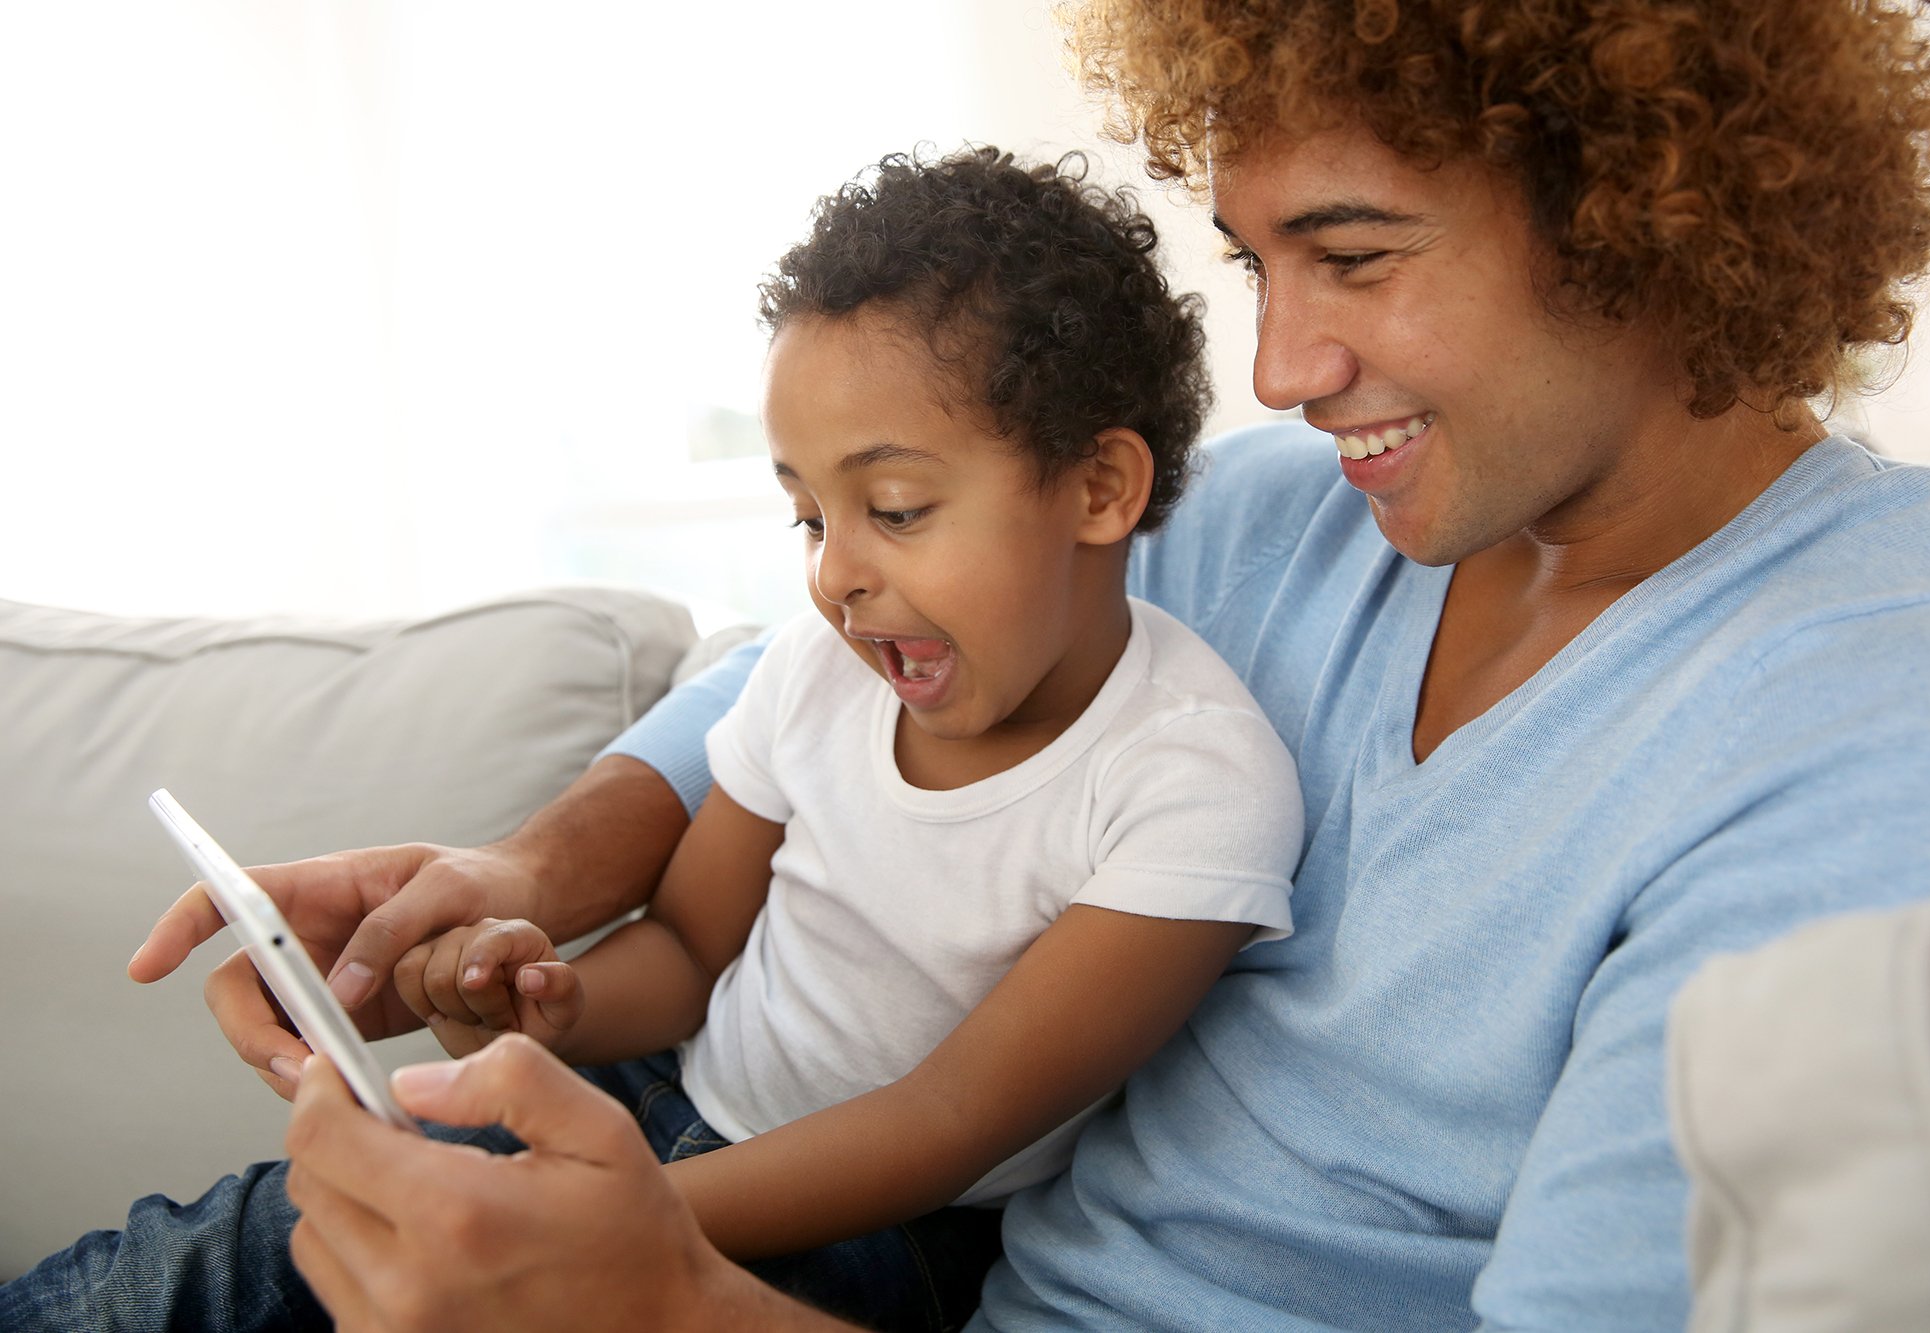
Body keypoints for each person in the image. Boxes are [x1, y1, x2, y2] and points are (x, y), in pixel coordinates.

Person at [86, 0, 1930, 1328]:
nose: (1276, 371)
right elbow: (797, 680)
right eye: (1257, 267)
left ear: (1656, 214)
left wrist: (661, 1299)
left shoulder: (1876, 772)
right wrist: (518, 875)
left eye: (1350, 254)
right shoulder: (1288, 522)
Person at [1, 148, 1303, 1331]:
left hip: (865, 1237)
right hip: (650, 1114)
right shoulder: (817, 675)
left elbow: (947, 1119)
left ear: (1100, 488)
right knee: (219, 1259)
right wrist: (540, 1003)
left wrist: (612, 1219)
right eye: (808, 518)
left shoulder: (1188, 784)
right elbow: (687, 950)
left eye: (895, 507)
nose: (835, 575)